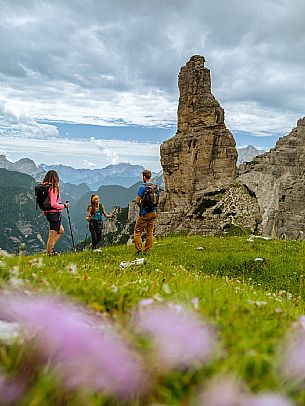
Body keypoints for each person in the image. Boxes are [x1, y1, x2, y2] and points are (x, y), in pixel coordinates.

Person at [43, 170, 68, 256]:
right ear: (55, 178)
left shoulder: (46, 188)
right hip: (54, 214)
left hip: (50, 213)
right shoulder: (53, 188)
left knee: (61, 230)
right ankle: (49, 253)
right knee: (52, 234)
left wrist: (45, 212)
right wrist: (63, 206)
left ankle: (50, 249)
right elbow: (53, 204)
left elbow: (44, 203)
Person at [134, 169, 160, 254]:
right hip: (153, 213)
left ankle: (138, 250)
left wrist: (141, 206)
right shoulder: (156, 187)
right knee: (150, 232)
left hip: (145, 213)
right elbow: (158, 201)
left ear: (144, 177)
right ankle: (147, 250)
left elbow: (137, 200)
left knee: (137, 232)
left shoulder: (142, 187)